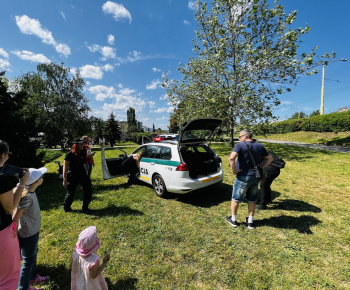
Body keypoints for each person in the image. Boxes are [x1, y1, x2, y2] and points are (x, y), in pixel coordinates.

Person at [225, 130, 273, 229]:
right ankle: (250, 222)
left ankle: (233, 220)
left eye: (239, 137)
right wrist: (261, 167)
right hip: (255, 177)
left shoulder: (240, 145)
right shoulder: (260, 146)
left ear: (245, 136)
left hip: (243, 175)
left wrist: (234, 171)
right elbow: (270, 158)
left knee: (236, 198)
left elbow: (231, 158)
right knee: (252, 199)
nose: (239, 139)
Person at [12, 167, 50, 290]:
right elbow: (16, 217)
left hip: (33, 231)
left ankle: (33, 276)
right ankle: (23, 287)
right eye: (41, 176)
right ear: (37, 181)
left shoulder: (30, 191)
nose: (43, 177)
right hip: (28, 234)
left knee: (33, 254)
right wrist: (14, 234)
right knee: (28, 261)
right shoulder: (26, 196)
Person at [0, 140, 30, 290]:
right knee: (8, 278)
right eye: (8, 154)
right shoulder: (2, 179)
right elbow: (10, 206)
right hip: (2, 232)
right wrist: (23, 183)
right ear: (2, 155)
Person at [63, 138, 93, 214]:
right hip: (73, 175)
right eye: (80, 144)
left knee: (88, 189)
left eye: (83, 144)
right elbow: (65, 167)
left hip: (82, 174)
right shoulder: (69, 154)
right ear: (76, 145)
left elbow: (82, 163)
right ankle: (67, 208)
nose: (82, 145)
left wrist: (86, 172)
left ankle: (85, 208)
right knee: (71, 192)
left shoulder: (82, 152)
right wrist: (65, 180)